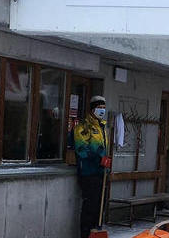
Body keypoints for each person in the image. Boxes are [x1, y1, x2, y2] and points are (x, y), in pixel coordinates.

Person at [74, 96, 111, 238]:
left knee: (99, 208)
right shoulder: (84, 127)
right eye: (99, 107)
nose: (102, 110)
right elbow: (82, 149)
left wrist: (106, 161)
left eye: (103, 107)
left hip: (101, 173)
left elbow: (102, 148)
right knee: (90, 206)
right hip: (89, 173)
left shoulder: (102, 127)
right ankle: (85, 234)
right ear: (92, 109)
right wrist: (98, 159)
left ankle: (95, 233)